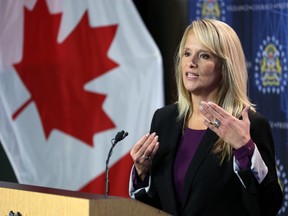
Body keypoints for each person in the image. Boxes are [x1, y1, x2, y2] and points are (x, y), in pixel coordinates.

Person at [128, 18, 283, 216]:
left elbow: (268, 207)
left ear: (225, 67)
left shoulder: (249, 125)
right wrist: (141, 173)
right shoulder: (164, 120)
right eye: (187, 53)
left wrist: (245, 149)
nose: (191, 63)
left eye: (204, 55)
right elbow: (158, 205)